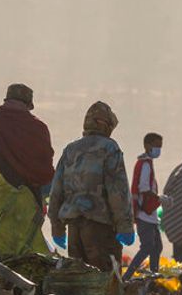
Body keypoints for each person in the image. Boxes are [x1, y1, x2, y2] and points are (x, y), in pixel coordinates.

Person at [47, 102, 135, 271]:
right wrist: (125, 226)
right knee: (104, 282)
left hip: (74, 229)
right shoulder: (109, 148)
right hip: (100, 229)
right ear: (105, 125)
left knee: (79, 280)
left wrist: (57, 228)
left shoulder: (71, 150)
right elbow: (118, 191)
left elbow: (56, 191)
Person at [0, 84, 55, 200]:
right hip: (26, 204)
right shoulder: (39, 129)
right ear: (28, 105)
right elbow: (45, 170)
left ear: (6, 100)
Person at [123, 133, 163, 280]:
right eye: (156, 146)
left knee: (157, 246)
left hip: (149, 214)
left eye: (160, 146)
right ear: (147, 145)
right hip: (144, 213)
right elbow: (144, 189)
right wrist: (160, 199)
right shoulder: (145, 164)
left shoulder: (146, 163)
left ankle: (153, 274)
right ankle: (127, 276)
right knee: (147, 246)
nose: (158, 149)